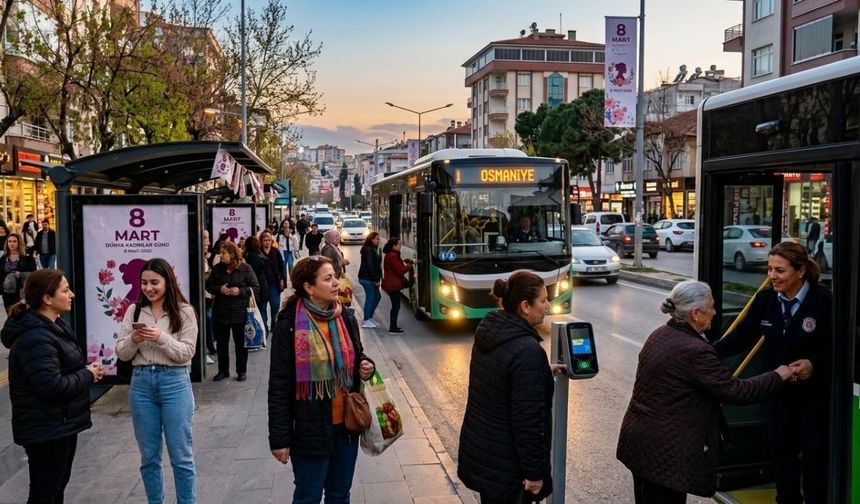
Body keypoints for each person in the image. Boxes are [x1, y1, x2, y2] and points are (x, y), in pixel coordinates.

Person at [616, 280, 799, 503]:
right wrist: (779, 375)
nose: (714, 311)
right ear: (695, 313)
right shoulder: (695, 351)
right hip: (664, 451)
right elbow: (737, 391)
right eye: (711, 306)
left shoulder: (662, 333)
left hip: (642, 443)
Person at [714, 241, 831, 504]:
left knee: (814, 458)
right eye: (769, 269)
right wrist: (705, 352)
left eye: (780, 270)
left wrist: (814, 365)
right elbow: (742, 336)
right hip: (779, 394)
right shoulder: (765, 300)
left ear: (800, 272)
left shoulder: (824, 302)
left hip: (815, 397)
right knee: (782, 456)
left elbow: (840, 351)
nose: (772, 276)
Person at [268, 255, 376, 503]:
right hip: (309, 429)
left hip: (347, 426)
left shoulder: (346, 317)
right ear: (308, 287)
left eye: (335, 276)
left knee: (340, 495)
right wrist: (280, 439)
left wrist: (365, 365)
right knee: (308, 496)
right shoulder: (290, 326)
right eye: (328, 279)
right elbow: (279, 386)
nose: (336, 283)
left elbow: (358, 356)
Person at [458, 270, 563, 504]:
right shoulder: (527, 351)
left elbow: (501, 381)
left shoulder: (491, 332)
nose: (547, 305)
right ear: (525, 306)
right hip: (509, 468)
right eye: (543, 300)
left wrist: (540, 372)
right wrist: (535, 474)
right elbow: (528, 422)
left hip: (487, 456)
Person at [1, 269, 104, 503]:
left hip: (59, 424)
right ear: (47, 299)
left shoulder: (52, 325)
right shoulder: (35, 337)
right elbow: (51, 386)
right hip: (46, 429)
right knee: (45, 493)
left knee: (54, 491)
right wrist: (87, 375)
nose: (72, 295)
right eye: (65, 290)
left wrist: (84, 372)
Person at [116, 258, 198, 504]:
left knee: (181, 455)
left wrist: (161, 337)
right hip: (141, 384)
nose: (149, 288)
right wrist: (135, 339)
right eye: (144, 283)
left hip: (175, 382)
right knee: (149, 456)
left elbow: (187, 353)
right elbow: (122, 352)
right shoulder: (134, 311)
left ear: (168, 282)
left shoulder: (184, 311)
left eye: (154, 282)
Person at [206, 241, 260, 382]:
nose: (220, 255)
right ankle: (223, 371)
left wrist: (240, 291)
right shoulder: (217, 269)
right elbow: (208, 285)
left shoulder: (245, 268)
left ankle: (241, 371)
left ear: (231, 254)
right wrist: (219, 289)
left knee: (240, 344)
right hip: (221, 312)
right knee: (222, 344)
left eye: (223, 253)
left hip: (240, 313)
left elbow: (255, 287)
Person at [381, 237, 413, 334]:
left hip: (390, 284)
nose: (400, 246)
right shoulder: (393, 256)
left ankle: (393, 326)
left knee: (395, 306)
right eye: (399, 245)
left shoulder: (390, 255)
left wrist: (404, 263)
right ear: (394, 246)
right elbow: (401, 271)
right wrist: (409, 265)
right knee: (396, 306)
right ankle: (393, 327)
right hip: (393, 285)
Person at [0, 233, 37, 314]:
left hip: (22, 291)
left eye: (14, 241)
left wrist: (20, 274)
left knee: (22, 314)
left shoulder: (27, 258)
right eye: (9, 241)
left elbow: (34, 274)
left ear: (19, 243)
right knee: (10, 315)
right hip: (7, 293)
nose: (12, 244)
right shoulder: (3, 258)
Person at [260, 230, 286, 333]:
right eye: (265, 240)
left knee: (275, 305)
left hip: (274, 283)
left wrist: (282, 279)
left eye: (269, 240)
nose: (267, 242)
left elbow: (281, 267)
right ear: (261, 241)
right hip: (262, 284)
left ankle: (273, 323)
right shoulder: (259, 252)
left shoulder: (275, 252)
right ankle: (265, 325)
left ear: (272, 241)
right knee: (262, 306)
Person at [243, 235, 271, 334]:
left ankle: (262, 333)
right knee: (262, 311)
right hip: (263, 287)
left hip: (257, 289)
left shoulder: (250, 257)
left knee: (258, 312)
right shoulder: (260, 255)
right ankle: (264, 332)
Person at [357, 232, 382, 328]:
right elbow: (370, 266)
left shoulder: (372, 249)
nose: (378, 240)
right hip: (367, 278)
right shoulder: (368, 250)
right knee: (371, 298)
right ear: (371, 240)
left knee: (377, 296)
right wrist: (376, 279)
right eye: (377, 239)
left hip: (370, 277)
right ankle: (366, 320)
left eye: (378, 239)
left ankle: (370, 317)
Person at [202, 230, 216, 364]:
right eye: (205, 238)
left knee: (209, 321)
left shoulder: (204, 257)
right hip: (202, 297)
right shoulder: (199, 257)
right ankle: (205, 350)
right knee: (206, 321)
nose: (208, 242)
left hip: (207, 296)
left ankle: (209, 347)